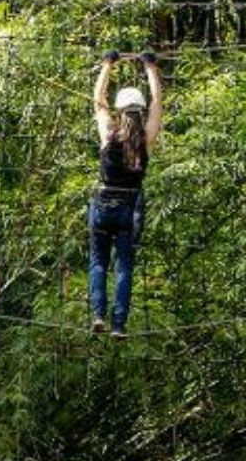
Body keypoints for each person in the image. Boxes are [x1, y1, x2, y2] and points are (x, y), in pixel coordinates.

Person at [88, 49, 163, 340]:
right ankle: (118, 324)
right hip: (130, 208)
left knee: (98, 262)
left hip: (103, 203)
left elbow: (98, 99)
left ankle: (97, 315)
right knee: (124, 267)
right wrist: (150, 67)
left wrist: (108, 64)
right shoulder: (146, 138)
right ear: (141, 111)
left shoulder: (108, 132)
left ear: (120, 111)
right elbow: (158, 101)